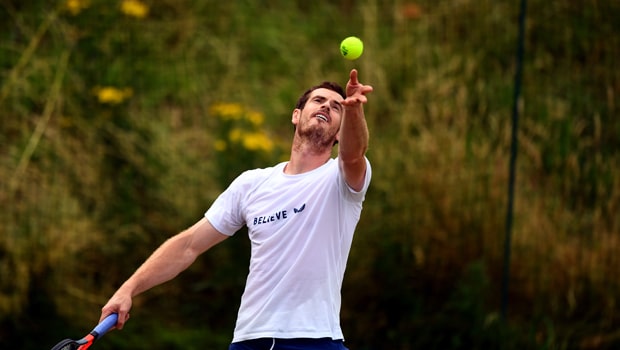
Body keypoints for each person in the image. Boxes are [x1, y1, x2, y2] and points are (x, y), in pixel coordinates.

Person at [99, 69, 374, 350]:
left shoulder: (340, 179)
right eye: (318, 100)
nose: (327, 105)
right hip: (249, 339)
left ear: (341, 131)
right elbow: (188, 246)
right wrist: (128, 288)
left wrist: (354, 112)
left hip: (314, 339)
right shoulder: (252, 184)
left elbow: (354, 154)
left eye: (336, 107)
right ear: (296, 115)